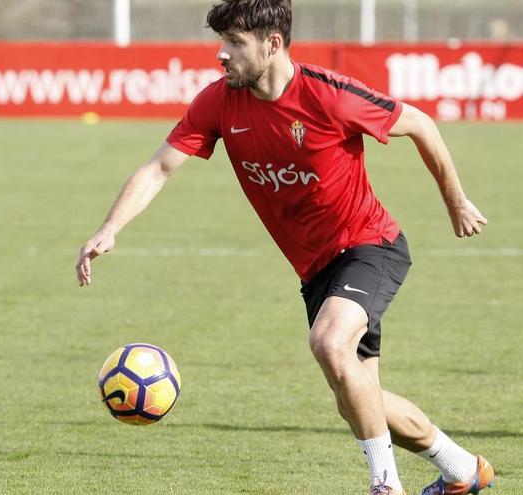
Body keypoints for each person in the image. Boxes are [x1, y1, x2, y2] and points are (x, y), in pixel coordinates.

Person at [75, 1, 493, 494]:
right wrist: (111, 226)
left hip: (370, 245)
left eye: (235, 43)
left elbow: (420, 124)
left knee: (328, 343)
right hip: (316, 271)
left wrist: (456, 202)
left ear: (272, 44)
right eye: (222, 42)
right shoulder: (218, 103)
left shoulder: (328, 96)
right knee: (359, 398)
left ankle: (385, 486)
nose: (221, 55)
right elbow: (159, 167)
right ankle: (464, 470)